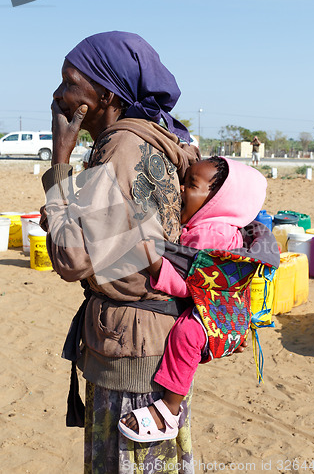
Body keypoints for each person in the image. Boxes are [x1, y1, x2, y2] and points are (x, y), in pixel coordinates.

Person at [40, 31, 204, 474]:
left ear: (106, 93)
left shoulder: (119, 147)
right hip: (159, 341)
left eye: (70, 82)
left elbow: (72, 259)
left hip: (129, 354)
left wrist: (59, 163)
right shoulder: (161, 139)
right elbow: (122, 238)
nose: (58, 94)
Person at [119, 156, 267, 442]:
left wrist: (154, 264)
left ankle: (169, 411)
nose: (181, 191)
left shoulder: (209, 233)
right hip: (224, 308)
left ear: (217, 201)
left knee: (186, 333)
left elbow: (192, 284)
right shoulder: (216, 226)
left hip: (213, 312)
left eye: (191, 185)